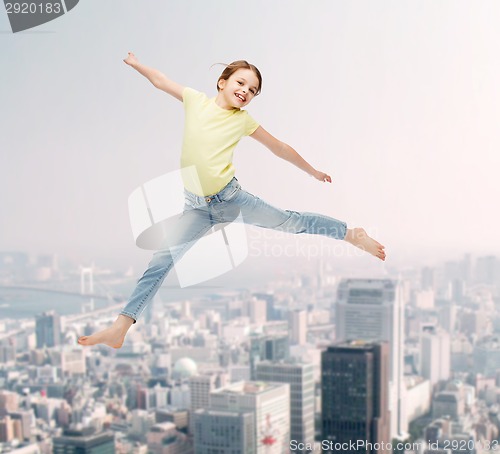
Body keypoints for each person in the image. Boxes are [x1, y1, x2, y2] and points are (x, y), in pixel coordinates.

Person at [78, 52, 386, 349]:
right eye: (240, 83)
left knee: (292, 222)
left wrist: (313, 171)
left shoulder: (243, 120)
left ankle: (351, 234)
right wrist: (136, 65)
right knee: (160, 261)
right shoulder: (195, 101)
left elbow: (279, 148)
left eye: (252, 90)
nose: (246, 92)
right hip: (196, 208)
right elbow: (161, 81)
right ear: (221, 82)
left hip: (230, 199)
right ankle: (121, 328)